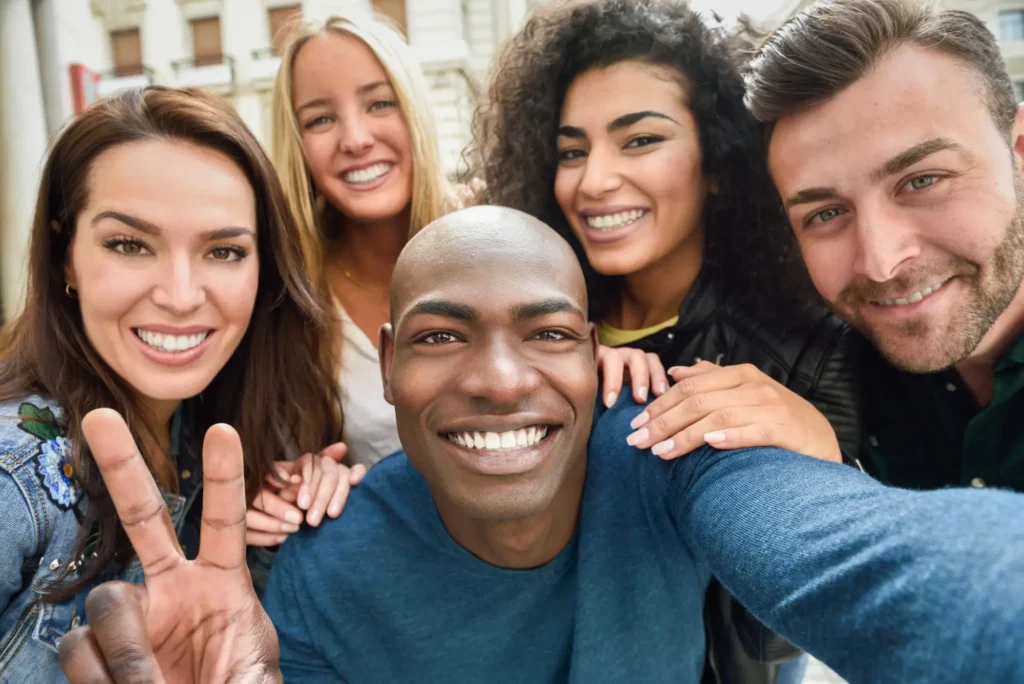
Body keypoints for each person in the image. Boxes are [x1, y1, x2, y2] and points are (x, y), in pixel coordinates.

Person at [57, 207, 1024, 684]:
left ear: (595, 356)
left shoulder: (665, 457)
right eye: (442, 336)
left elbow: (866, 560)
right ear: (387, 367)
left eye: (549, 333)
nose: (503, 379)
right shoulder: (316, 576)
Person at [475, 1, 857, 680]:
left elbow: (783, 638)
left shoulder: (804, 348)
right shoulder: (521, 338)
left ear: (717, 160)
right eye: (571, 151)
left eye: (640, 140)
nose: (593, 180)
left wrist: (820, 465)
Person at [251, 12, 666, 546]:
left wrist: (597, 361)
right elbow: (286, 454)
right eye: (319, 119)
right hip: (391, 561)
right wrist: (302, 482)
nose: (355, 139)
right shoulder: (289, 294)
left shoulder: (509, 229)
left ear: (415, 110)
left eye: (380, 103)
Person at [0, 86, 353, 681]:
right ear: (66, 259)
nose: (182, 296)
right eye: (130, 245)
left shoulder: (223, 433)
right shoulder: (17, 468)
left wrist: (313, 497)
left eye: (223, 251)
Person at [737, 0, 1024, 494]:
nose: (880, 262)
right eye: (825, 214)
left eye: (923, 180)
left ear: (1018, 151)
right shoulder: (819, 369)